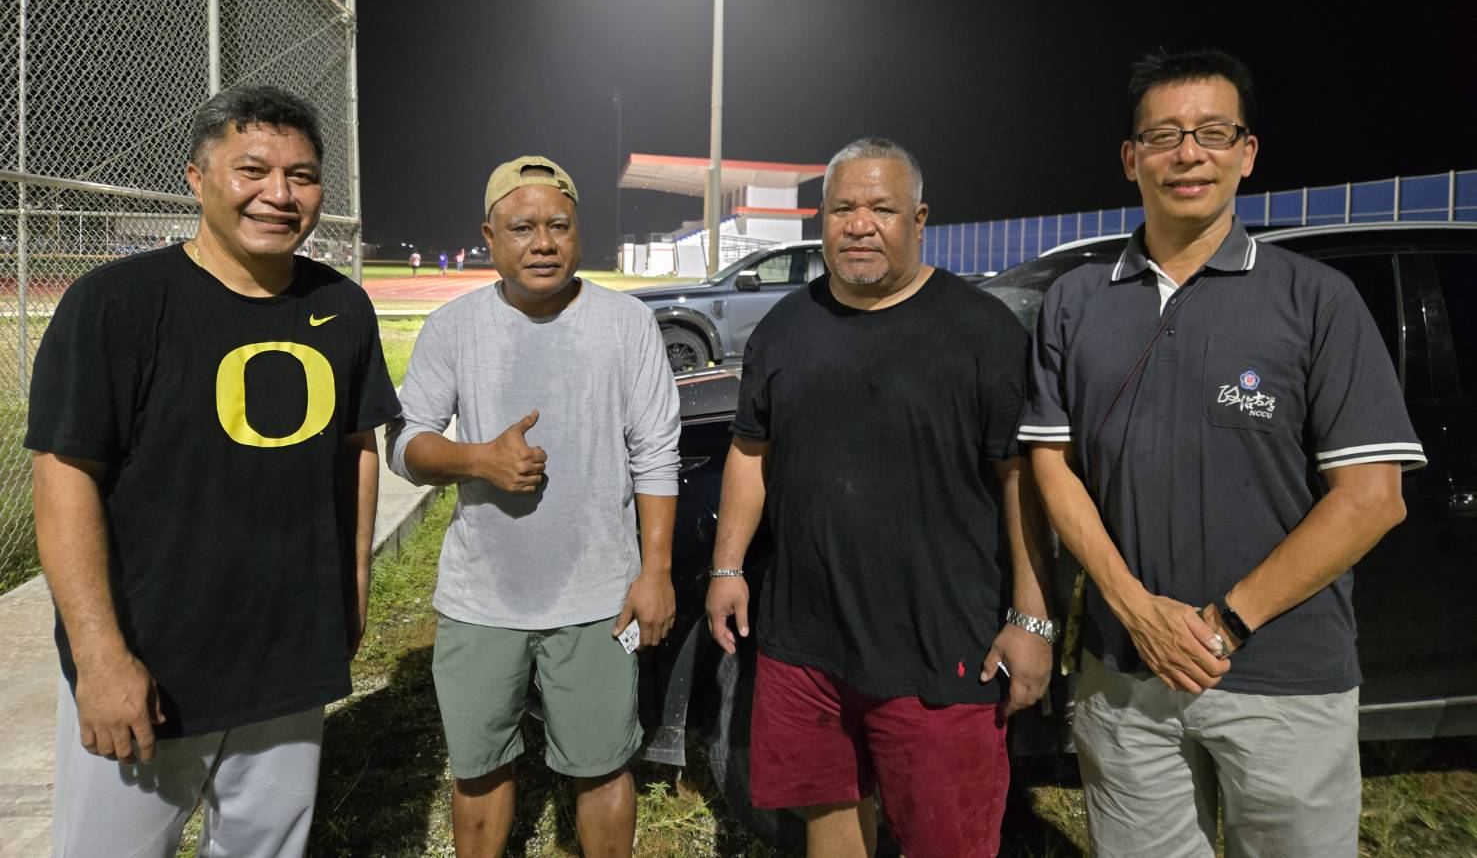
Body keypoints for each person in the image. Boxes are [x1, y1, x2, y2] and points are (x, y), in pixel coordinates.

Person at [1019, 49, 1425, 856]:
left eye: (1210, 131)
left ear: (1246, 153)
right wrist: (1137, 612)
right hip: (1123, 672)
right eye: (1163, 135)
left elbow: (1373, 496)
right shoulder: (1073, 303)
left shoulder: (1314, 300)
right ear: (1131, 159)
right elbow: (1050, 467)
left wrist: (1222, 625)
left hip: (1283, 677)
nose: (1187, 152)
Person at [28, 85, 401, 857]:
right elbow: (64, 477)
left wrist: (350, 595)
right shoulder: (115, 304)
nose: (279, 195)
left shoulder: (344, 307)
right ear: (197, 180)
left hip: (286, 654)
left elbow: (354, 451)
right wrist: (100, 659)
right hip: (150, 661)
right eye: (252, 170)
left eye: (301, 175)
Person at [705, 137, 1055, 858]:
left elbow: (1020, 480)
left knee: (946, 842)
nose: (859, 224)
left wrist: (1032, 618)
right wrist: (727, 566)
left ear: (918, 220)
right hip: (805, 643)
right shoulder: (783, 329)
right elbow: (749, 450)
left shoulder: (982, 333)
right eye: (842, 208)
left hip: (940, 650)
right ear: (822, 219)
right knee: (828, 822)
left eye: (881, 208)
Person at [388, 154, 680, 858]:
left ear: (579, 234)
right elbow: (406, 442)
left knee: (602, 764)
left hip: (598, 593)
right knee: (479, 766)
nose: (542, 242)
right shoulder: (454, 328)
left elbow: (657, 454)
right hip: (482, 595)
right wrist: (474, 459)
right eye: (522, 227)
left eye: (559, 225)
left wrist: (655, 572)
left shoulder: (627, 324)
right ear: (488, 237)